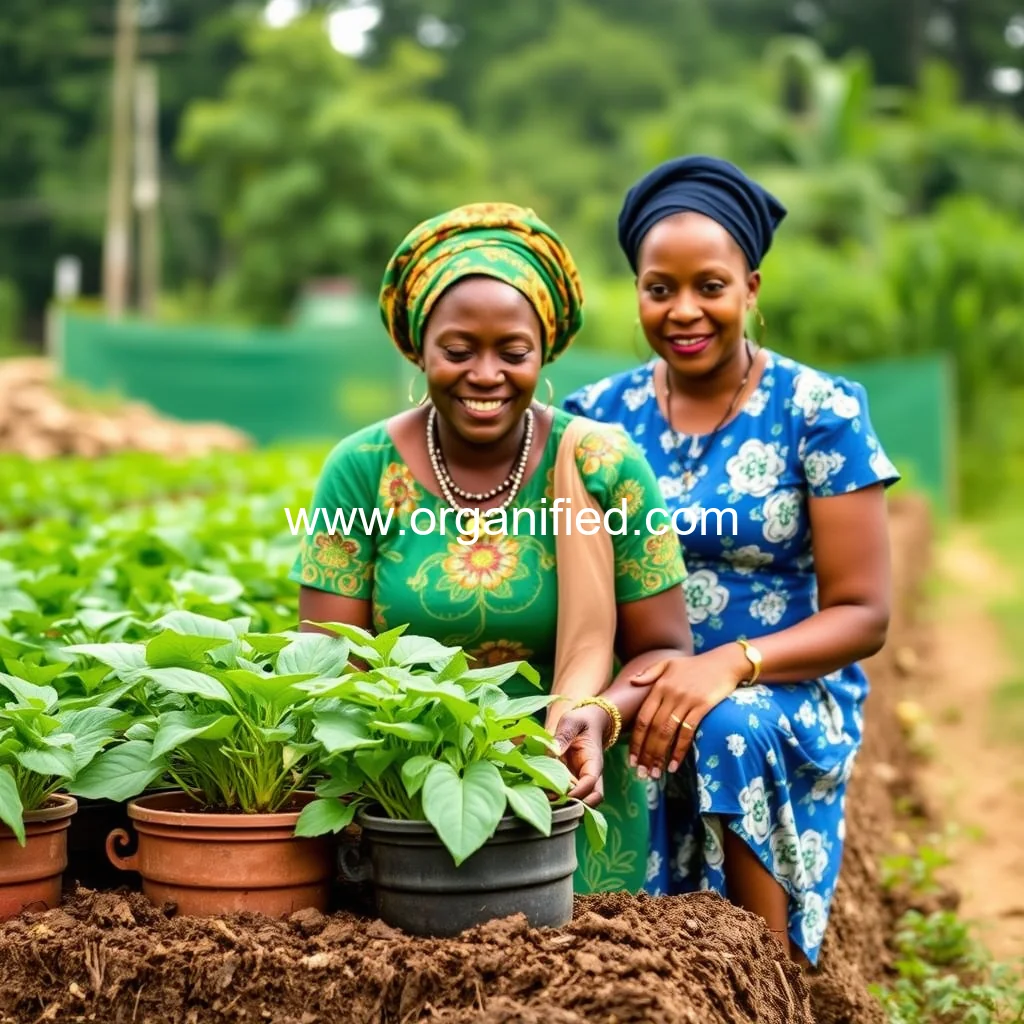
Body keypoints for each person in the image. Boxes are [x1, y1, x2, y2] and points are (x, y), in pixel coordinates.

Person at [556, 155, 901, 966]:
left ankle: (768, 973)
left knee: (731, 726)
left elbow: (865, 613)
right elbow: (585, 599)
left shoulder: (819, 411)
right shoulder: (595, 419)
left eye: (709, 286)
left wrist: (729, 666)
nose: (684, 310)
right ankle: (620, 974)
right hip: (635, 677)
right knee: (576, 734)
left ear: (750, 287)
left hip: (781, 685)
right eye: (658, 287)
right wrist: (608, 699)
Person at [289, 201, 692, 893]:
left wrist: (597, 716)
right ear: (419, 349)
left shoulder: (603, 465)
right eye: (457, 351)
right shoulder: (361, 471)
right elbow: (327, 658)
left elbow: (663, 647)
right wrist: (427, 747)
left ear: (544, 352)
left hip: (569, 795)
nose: (485, 374)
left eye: (513, 352)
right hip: (406, 805)